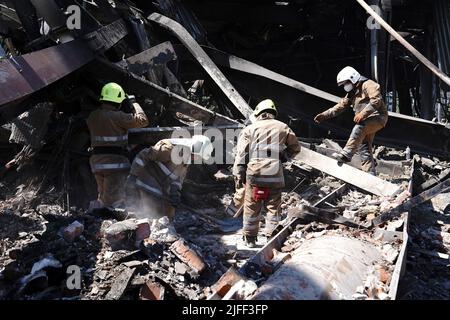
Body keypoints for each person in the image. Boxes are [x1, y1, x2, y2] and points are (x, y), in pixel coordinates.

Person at [233, 99, 301, 247]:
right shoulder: (283, 127)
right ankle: (272, 237)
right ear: (273, 113)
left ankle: (250, 239)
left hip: (255, 174)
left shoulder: (249, 129)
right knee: (273, 206)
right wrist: (284, 156)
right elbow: (296, 148)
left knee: (252, 205)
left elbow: (241, 154)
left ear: (258, 113)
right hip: (275, 174)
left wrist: (240, 172)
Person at [86, 82, 149, 213]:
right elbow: (143, 121)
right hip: (114, 164)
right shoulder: (118, 116)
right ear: (119, 101)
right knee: (113, 202)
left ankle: (97, 222)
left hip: (96, 163)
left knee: (103, 197)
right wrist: (134, 103)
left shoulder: (93, 116)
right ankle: (111, 226)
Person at [314, 66, 388, 174]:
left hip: (378, 117)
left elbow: (376, 101)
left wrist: (362, 114)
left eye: (346, 83)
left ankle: (346, 155)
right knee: (364, 147)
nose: (345, 86)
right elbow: (340, 106)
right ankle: (370, 174)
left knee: (359, 128)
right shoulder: (352, 93)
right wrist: (324, 115)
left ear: (353, 78)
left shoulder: (369, 84)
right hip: (366, 120)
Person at [128, 135, 213, 220]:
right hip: (147, 181)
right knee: (156, 212)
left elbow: (178, 178)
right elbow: (142, 156)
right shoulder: (167, 150)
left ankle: (167, 228)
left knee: (170, 211)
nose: (195, 158)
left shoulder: (187, 158)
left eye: (198, 157)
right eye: (195, 155)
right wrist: (133, 175)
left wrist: (174, 193)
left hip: (162, 185)